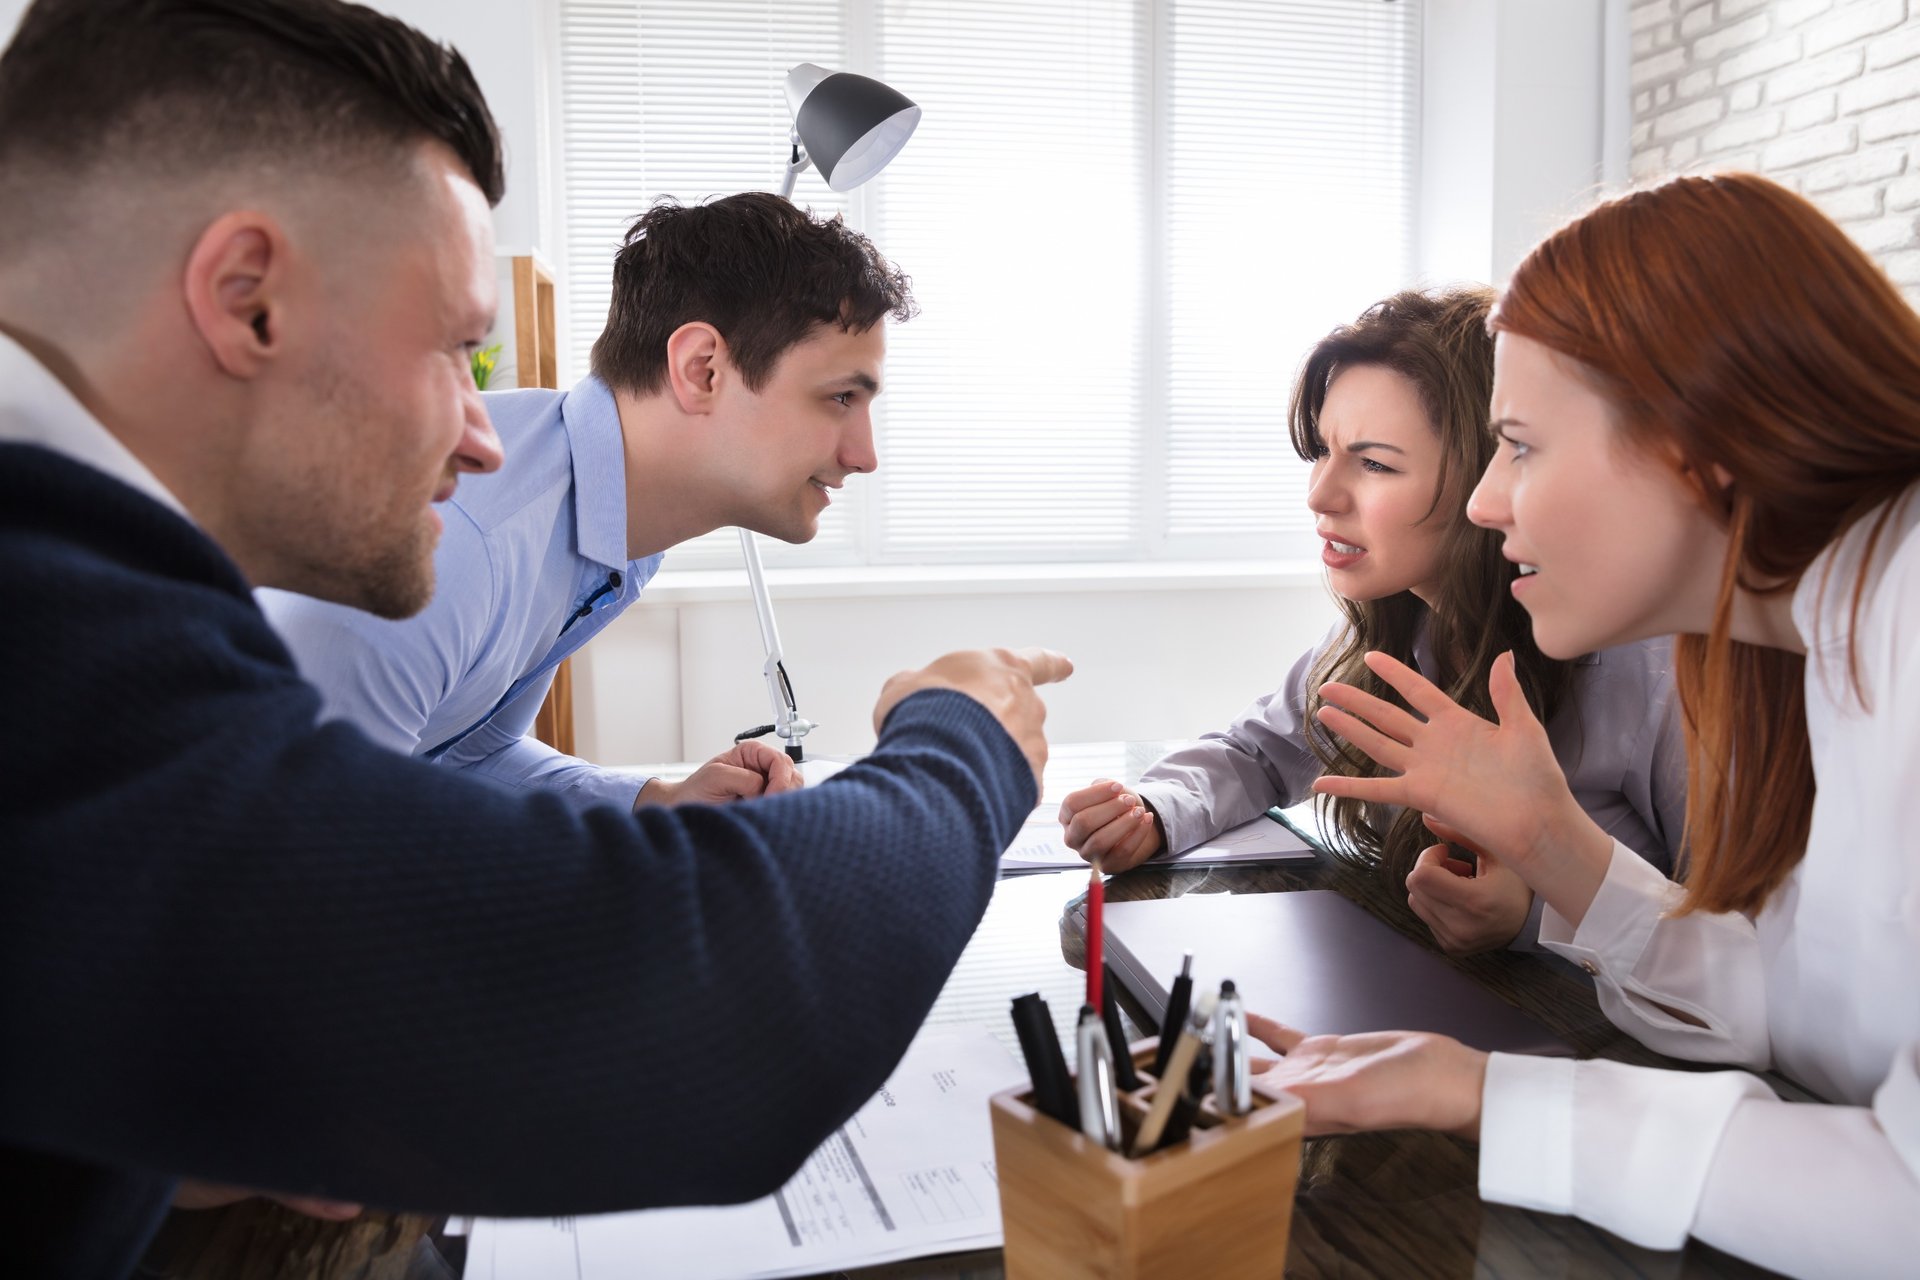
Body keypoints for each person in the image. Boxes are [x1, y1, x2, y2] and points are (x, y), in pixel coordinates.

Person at [0, 1, 1068, 1273]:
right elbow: (714, 1024)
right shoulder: (61, 653)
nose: (482, 431)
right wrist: (963, 739)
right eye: (455, 350)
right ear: (249, 300)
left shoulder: (80, 594)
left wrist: (639, 807)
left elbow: (338, 865)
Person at [1246, 173, 1920, 1275]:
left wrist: (1493, 1097)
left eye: (1519, 444)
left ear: (1697, 442)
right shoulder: (1819, 646)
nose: (1484, 502)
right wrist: (1552, 846)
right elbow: (1777, 1004)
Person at [1057, 287, 1686, 953]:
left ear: (1496, 474)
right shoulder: (1392, 628)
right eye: (1322, 451)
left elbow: (1737, 955)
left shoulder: (1653, 672)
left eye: (1376, 464)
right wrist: (1153, 811)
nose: (1320, 495)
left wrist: (1532, 918)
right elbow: (1257, 753)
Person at [258, 192, 910, 809]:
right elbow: (308, 842)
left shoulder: (614, 530)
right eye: (840, 397)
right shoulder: (455, 538)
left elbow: (468, 751)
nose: (865, 456)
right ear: (701, 369)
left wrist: (656, 802)